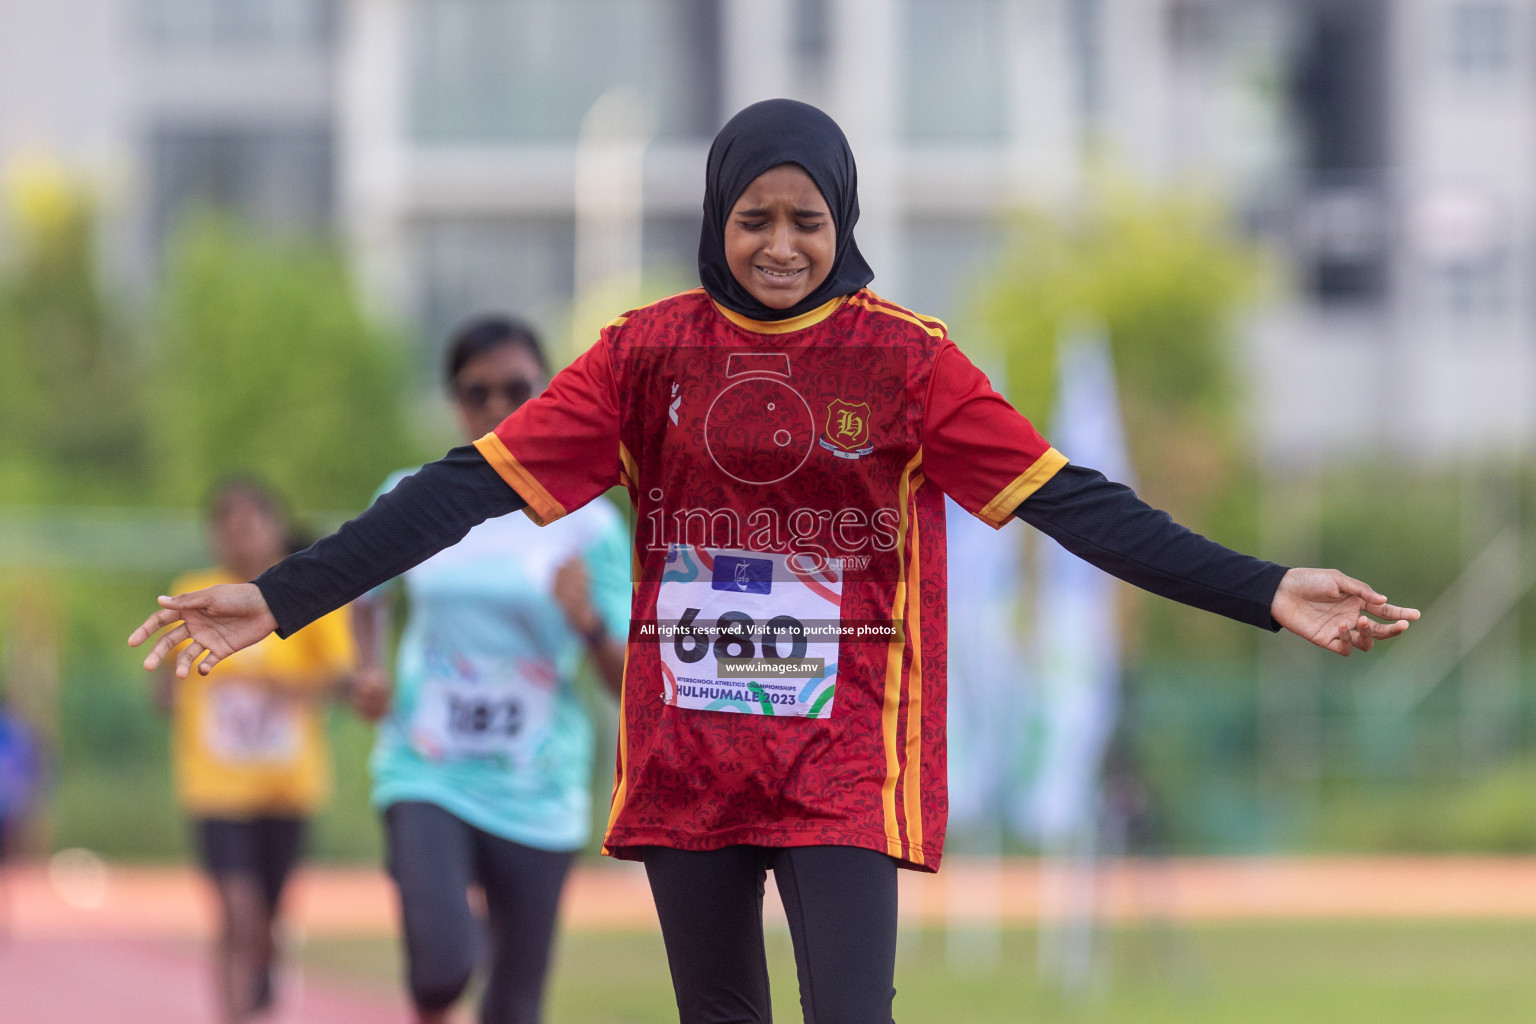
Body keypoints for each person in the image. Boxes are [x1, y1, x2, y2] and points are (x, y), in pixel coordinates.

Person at [131, 99, 1419, 1024]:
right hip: (691, 755)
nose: (782, 244)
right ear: (718, 219)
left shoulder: (909, 362)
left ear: (842, 220)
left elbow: (1076, 506)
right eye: (756, 218)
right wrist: (285, 596)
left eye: (808, 219)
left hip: (845, 761)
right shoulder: (643, 355)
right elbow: (469, 487)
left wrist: (1262, 587)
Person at [349, 315, 629, 1024]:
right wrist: (367, 669)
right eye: (478, 393)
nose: (500, 409)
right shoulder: (413, 493)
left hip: (538, 782)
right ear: (455, 402)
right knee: (444, 969)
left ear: (550, 393)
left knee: (514, 1006)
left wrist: (589, 622)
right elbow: (361, 590)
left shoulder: (588, 521)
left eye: (518, 389)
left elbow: (629, 682)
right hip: (427, 764)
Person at [158, 479, 355, 1023]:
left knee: (267, 915)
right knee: (236, 911)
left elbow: (339, 678)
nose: (240, 539)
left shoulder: (305, 593)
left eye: (251, 525)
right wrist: (166, 678)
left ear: (276, 528)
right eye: (227, 527)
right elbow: (163, 688)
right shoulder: (193, 592)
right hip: (216, 785)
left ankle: (264, 975)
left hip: (288, 784)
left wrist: (279, 687)